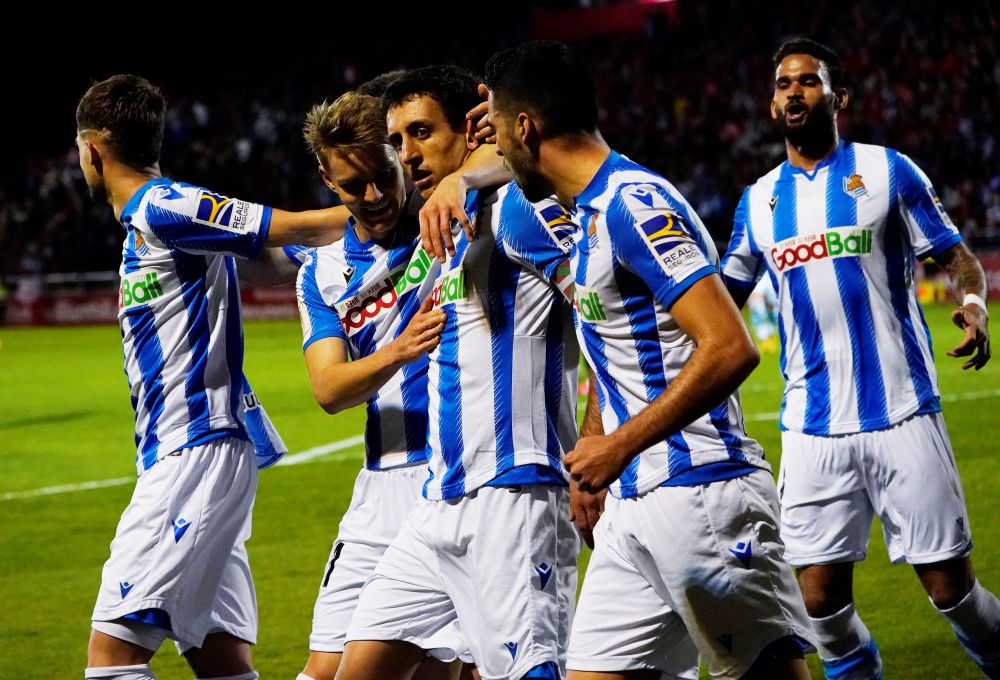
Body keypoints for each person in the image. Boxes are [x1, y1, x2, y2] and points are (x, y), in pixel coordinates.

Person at [484, 40, 814, 680]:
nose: (495, 149)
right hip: (633, 507)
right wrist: (596, 442)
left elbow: (730, 345)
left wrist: (619, 444)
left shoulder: (636, 204)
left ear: (525, 127)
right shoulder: (584, 216)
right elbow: (616, 352)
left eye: (497, 131)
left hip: (703, 492)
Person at [720, 38, 998, 679]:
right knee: (819, 608)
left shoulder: (888, 170)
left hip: (902, 410)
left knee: (952, 593)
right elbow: (718, 299)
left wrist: (975, 305)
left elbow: (954, 257)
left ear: (837, 97)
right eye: (784, 84)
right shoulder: (758, 202)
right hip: (813, 428)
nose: (795, 92)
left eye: (808, 82)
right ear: (771, 105)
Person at [76, 74, 344, 680]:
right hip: (191, 454)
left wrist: (381, 212)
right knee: (221, 661)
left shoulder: (160, 204)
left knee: (111, 659)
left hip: (192, 450)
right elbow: (278, 261)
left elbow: (289, 227)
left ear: (92, 148)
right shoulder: (155, 226)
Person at [335, 65, 581, 680]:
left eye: (420, 132)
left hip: (515, 491)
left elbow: (604, 311)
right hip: (439, 501)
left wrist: (599, 438)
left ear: (470, 131)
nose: (407, 154)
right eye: (396, 141)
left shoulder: (521, 209)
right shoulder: (445, 228)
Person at [293, 90, 459, 680]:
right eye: (350, 186)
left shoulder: (453, 220)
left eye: (381, 176)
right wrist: (399, 349)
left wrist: (460, 183)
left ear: (399, 154)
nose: (372, 197)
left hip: (452, 476)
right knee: (323, 667)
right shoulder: (322, 272)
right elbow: (330, 389)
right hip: (376, 490)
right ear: (326, 179)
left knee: (443, 670)